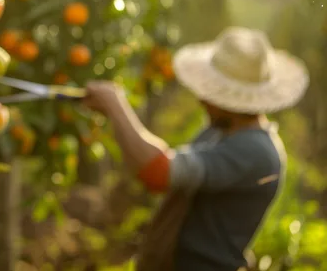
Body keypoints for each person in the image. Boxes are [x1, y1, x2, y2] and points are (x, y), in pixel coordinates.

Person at [83, 26, 309, 271]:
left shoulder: (254, 150)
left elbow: (158, 172)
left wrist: (115, 106)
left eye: (213, 92)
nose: (202, 99)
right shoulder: (221, 131)